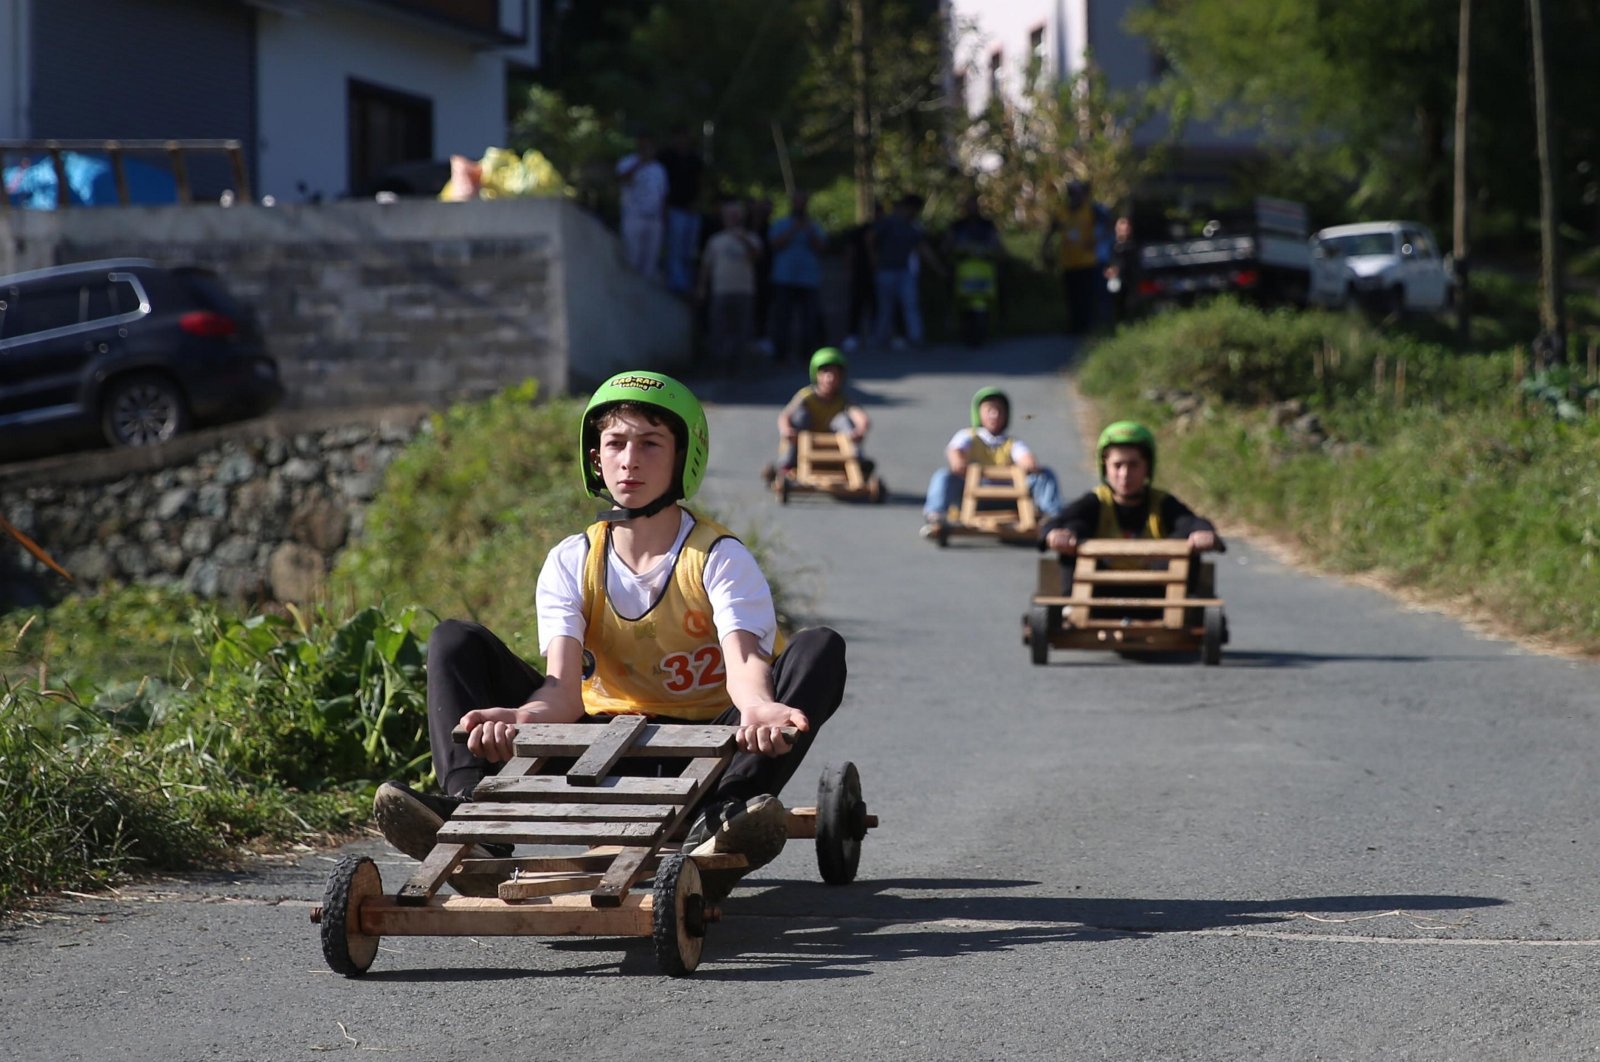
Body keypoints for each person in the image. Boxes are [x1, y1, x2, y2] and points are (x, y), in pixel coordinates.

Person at [373, 371, 848, 900]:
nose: (630, 459)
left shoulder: (719, 558)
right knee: (453, 639)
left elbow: (744, 664)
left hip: (712, 751)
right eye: (615, 443)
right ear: (595, 458)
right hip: (599, 747)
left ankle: (727, 815)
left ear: (682, 457)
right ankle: (473, 815)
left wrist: (760, 708)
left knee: (820, 648)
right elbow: (560, 691)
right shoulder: (572, 560)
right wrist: (517, 719)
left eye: (650, 444)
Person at [1037, 420, 1223, 592]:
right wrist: (1055, 535)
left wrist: (1203, 534)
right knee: (1073, 529)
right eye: (1117, 466)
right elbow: (1058, 521)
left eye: (1133, 465)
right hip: (1100, 592)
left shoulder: (1162, 503)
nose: (1124, 475)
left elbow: (1191, 522)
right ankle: (1070, 610)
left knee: (1185, 540)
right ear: (1105, 468)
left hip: (1157, 594)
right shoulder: (1097, 501)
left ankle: (1184, 613)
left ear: (1147, 467)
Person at [921, 387, 1063, 537]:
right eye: (989, 410)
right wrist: (958, 461)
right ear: (979, 413)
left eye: (999, 411)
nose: (994, 415)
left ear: (1006, 415)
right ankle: (935, 516)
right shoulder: (969, 436)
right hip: (972, 494)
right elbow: (955, 449)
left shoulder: (1012, 443)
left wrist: (1029, 464)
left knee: (1044, 474)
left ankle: (1053, 516)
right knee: (943, 476)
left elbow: (1025, 457)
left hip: (1009, 495)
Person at [767, 347, 872, 479]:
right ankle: (787, 463)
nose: (830, 378)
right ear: (816, 375)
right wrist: (786, 430)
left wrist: (860, 430)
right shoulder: (806, 396)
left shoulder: (843, 399)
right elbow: (785, 415)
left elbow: (860, 416)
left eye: (835, 374)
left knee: (843, 419)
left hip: (833, 443)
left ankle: (857, 461)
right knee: (800, 416)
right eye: (826, 373)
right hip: (805, 439)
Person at [697, 198, 761, 375]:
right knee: (718, 330)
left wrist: (743, 239)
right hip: (720, 290)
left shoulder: (751, 237)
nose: (732, 218)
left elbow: (757, 257)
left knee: (742, 331)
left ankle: (740, 368)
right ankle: (718, 367)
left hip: (745, 291)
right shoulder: (715, 240)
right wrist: (702, 287)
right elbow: (706, 266)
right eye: (729, 215)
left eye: (735, 214)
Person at [869, 193, 942, 350]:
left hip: (905, 271)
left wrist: (938, 267)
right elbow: (870, 238)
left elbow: (922, 247)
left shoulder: (912, 226)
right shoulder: (888, 222)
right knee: (885, 308)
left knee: (910, 305)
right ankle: (880, 340)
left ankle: (916, 337)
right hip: (886, 270)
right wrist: (874, 261)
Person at [766, 190, 827, 363]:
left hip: (808, 279)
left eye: (802, 202)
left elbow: (822, 248)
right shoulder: (781, 223)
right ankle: (781, 355)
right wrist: (794, 229)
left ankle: (807, 355)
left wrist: (808, 231)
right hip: (784, 278)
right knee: (782, 319)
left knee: (809, 319)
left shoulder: (814, 226)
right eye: (796, 202)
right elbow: (774, 244)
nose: (799, 205)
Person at [1041, 178, 1106, 336]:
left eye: (1076, 193)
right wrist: (1045, 249)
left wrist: (1095, 241)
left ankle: (1090, 327)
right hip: (1068, 263)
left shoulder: (1091, 210)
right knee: (1072, 297)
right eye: (1071, 193)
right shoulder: (1062, 212)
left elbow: (1106, 228)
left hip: (1087, 262)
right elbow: (1050, 232)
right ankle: (1075, 327)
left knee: (1087, 297)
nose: (1073, 196)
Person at [658, 127, 706, 294]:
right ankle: (675, 283)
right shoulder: (666, 157)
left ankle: (687, 284)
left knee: (689, 250)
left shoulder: (695, 159)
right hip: (674, 209)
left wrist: (698, 204)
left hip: (691, 211)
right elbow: (660, 185)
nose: (682, 141)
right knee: (675, 247)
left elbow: (701, 183)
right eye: (679, 137)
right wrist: (664, 207)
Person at [615, 134, 668, 278]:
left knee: (650, 262)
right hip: (634, 217)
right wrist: (640, 164)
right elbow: (621, 179)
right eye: (644, 146)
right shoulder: (627, 162)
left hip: (654, 219)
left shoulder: (659, 169)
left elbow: (663, 195)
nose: (647, 149)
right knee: (632, 257)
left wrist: (663, 220)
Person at [1105, 215, 1139, 326]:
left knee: (1131, 306)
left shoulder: (1134, 246)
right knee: (1117, 306)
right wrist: (1110, 271)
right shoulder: (1112, 246)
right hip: (1117, 282)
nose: (1125, 230)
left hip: (1131, 281)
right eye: (1122, 227)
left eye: (1127, 227)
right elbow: (1108, 265)